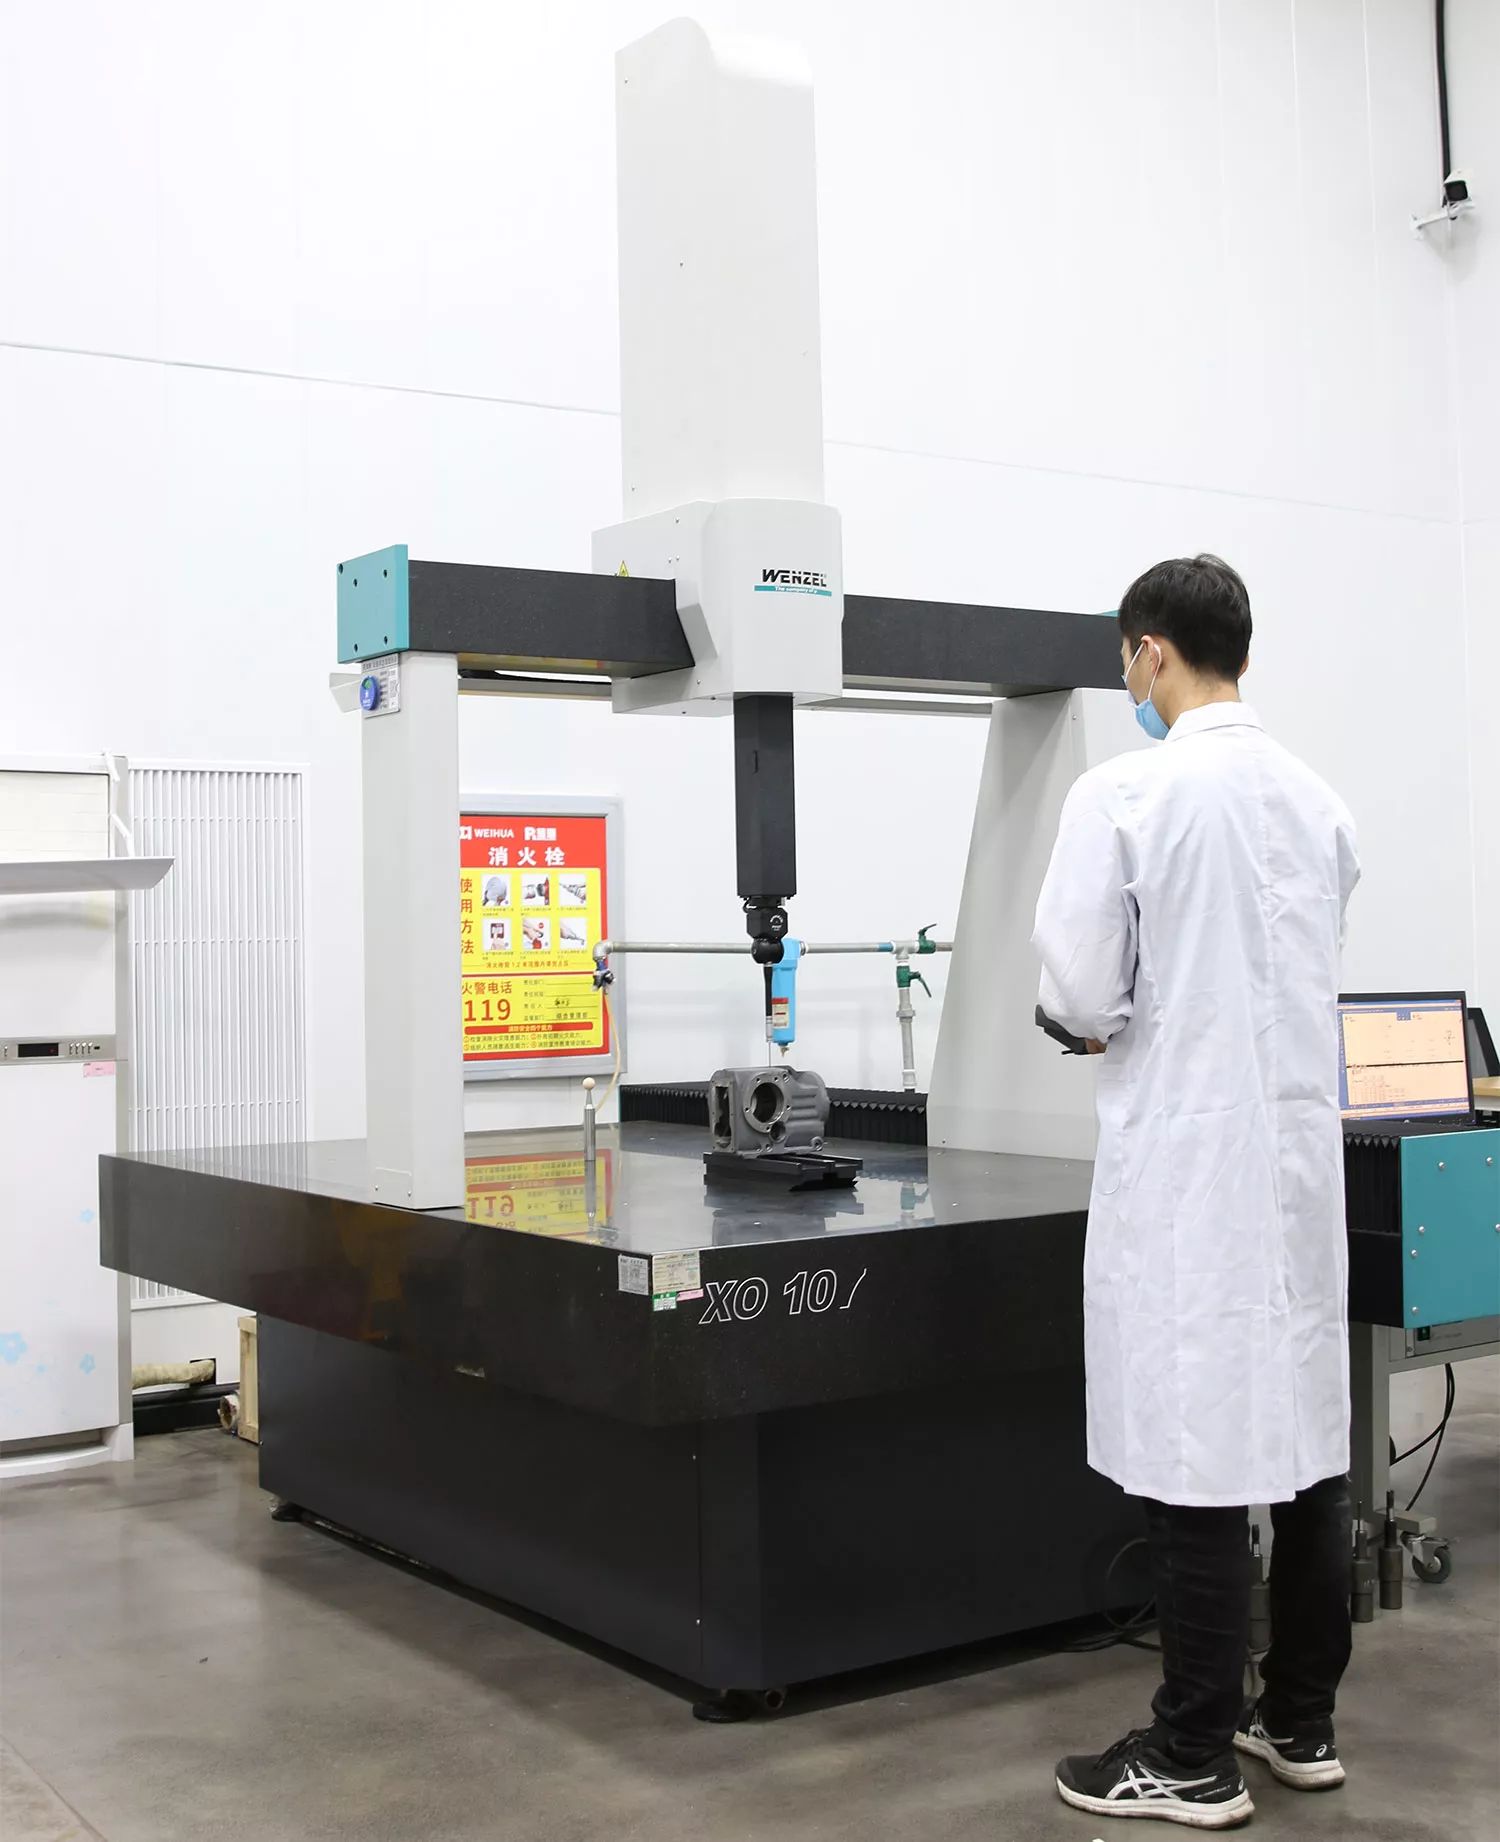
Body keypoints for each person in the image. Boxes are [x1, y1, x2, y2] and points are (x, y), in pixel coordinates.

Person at [1033, 556, 1361, 1829]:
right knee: (1309, 1449)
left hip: (1189, 1174)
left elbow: (1078, 992)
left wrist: (1101, 1018)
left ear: (1150, 652)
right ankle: (1301, 1719)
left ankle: (1190, 1754)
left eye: (1128, 658)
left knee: (1201, 1460)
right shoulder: (1319, 803)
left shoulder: (1125, 794)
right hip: (1293, 1171)